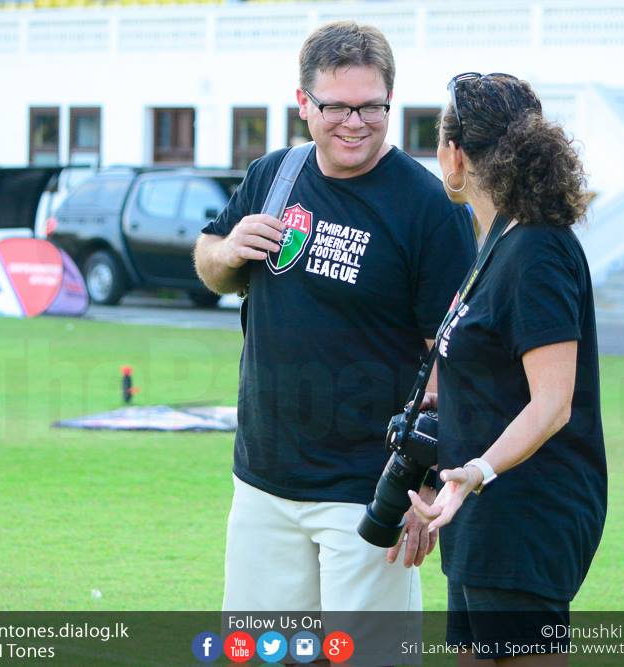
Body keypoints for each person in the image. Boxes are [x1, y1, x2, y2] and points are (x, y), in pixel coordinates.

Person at [194, 21, 475, 615]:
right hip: (263, 479)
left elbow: (451, 364)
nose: (355, 122)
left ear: (390, 102)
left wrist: (423, 484)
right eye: (338, 106)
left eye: (372, 106)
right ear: (304, 104)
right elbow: (211, 262)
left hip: (366, 490)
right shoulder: (275, 176)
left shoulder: (428, 206)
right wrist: (226, 249)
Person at [407, 73, 607, 665]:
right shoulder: (498, 240)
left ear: (455, 154)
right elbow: (493, 379)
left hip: (523, 513)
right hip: (477, 507)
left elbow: (553, 403)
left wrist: (477, 470)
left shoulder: (538, 250)